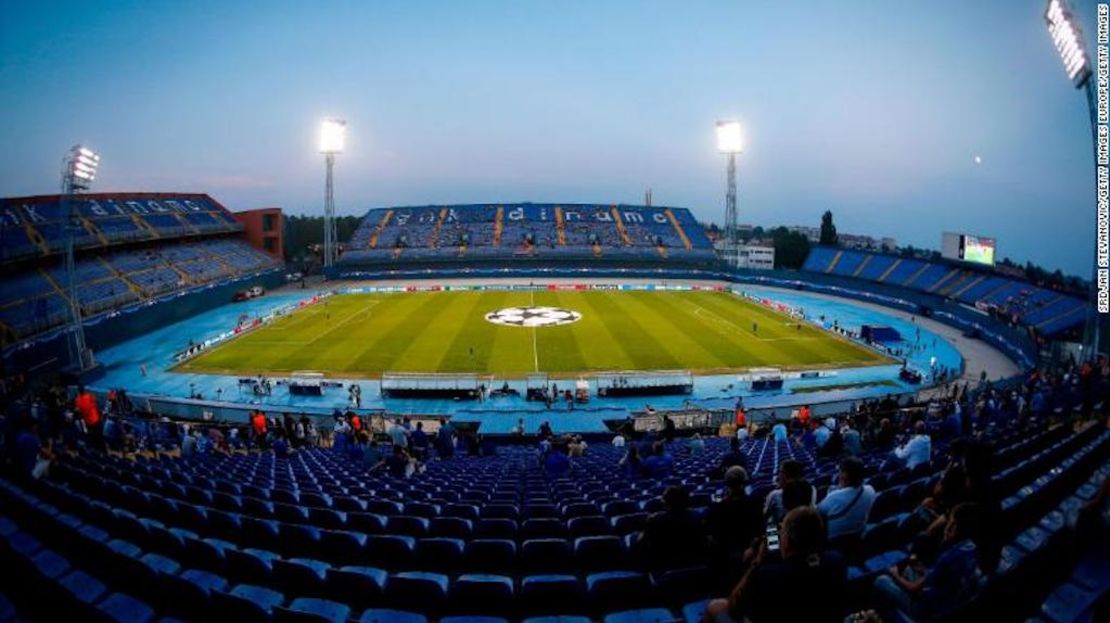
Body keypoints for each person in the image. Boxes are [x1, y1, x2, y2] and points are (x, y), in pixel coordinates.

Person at [702, 507, 847, 623]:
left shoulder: (767, 575)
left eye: (782, 531)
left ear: (787, 540)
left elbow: (734, 608)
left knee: (715, 606)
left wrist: (757, 561)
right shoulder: (837, 559)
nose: (779, 535)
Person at [872, 503, 983, 620]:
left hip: (926, 609)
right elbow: (941, 577)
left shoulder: (948, 557)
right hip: (950, 602)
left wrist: (894, 574)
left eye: (951, 522)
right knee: (910, 569)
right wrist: (922, 569)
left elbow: (913, 588)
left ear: (955, 527)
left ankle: (875, 616)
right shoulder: (973, 547)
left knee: (881, 580)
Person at [635, 486, 708, 570]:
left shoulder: (655, 520)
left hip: (663, 568)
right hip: (694, 566)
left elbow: (640, 544)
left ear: (665, 502)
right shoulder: (697, 517)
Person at [706, 466, 764, 562]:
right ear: (745, 481)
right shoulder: (757, 503)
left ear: (727, 483)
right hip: (754, 554)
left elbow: (713, 536)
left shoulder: (717, 507)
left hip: (725, 557)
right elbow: (763, 529)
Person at [817, 457, 876, 540]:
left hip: (833, 540)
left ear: (844, 476)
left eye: (841, 471)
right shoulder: (871, 490)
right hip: (859, 533)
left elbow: (817, 512)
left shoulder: (833, 496)